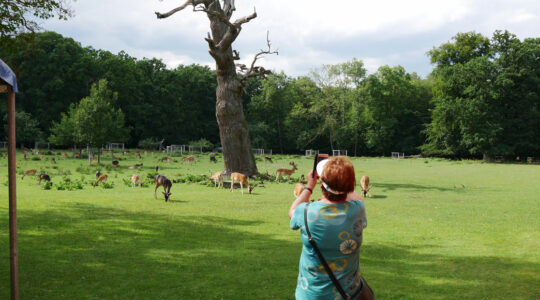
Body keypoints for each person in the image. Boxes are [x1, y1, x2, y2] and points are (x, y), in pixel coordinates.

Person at [288, 156, 372, 299]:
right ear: (351, 186)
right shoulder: (358, 209)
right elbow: (357, 198)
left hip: (312, 295)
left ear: (321, 185)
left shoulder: (307, 212)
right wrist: (343, 178)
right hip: (350, 293)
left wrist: (309, 185)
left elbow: (292, 211)